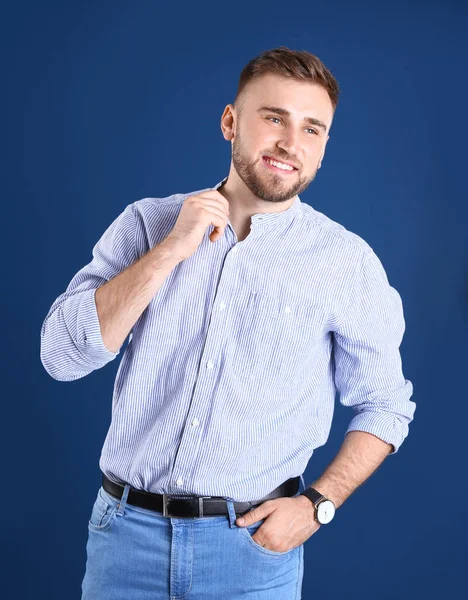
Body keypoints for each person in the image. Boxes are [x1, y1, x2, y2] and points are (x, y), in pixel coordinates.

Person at [40, 46, 416, 600]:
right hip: (125, 542)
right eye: (274, 118)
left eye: (312, 129)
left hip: (250, 556)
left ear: (324, 147)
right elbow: (62, 357)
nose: (291, 143)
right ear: (230, 122)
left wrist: (317, 507)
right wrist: (170, 251)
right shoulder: (148, 224)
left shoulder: (346, 262)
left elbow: (386, 404)